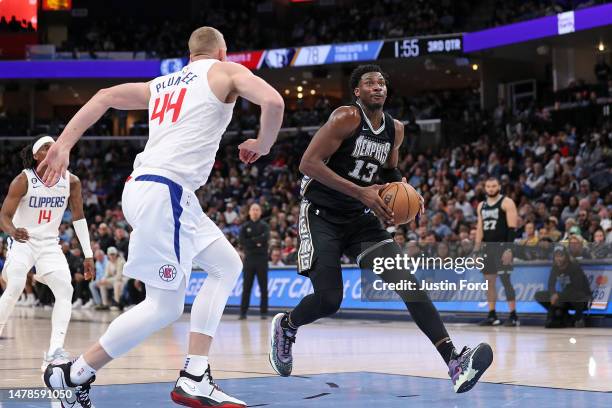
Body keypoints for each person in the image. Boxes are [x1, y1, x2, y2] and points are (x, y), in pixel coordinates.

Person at [42, 26, 283, 408]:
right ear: (223, 52)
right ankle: (75, 374)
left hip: (152, 189)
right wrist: (263, 144)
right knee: (164, 306)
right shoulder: (226, 71)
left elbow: (104, 96)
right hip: (165, 191)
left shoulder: (162, 84)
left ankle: (191, 371)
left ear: (189, 56)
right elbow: (274, 103)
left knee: (225, 266)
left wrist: (64, 144)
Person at [269, 65, 492, 394]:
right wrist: (361, 191)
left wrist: (409, 193)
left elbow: (390, 171)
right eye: (369, 83)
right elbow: (308, 164)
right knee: (330, 300)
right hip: (321, 214)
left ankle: (454, 362)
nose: (378, 87)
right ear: (357, 92)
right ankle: (287, 326)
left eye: (382, 83)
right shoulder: (345, 118)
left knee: (408, 283)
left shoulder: (395, 130)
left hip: (360, 218)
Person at [0, 136, 94, 370]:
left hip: (49, 244)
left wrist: (88, 254)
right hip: (23, 240)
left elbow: (79, 217)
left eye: (54, 146)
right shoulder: (24, 180)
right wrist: (12, 231)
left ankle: (54, 351)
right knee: (15, 285)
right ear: (36, 156)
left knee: (66, 289)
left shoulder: (71, 181)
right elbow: (4, 216)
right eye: (45, 147)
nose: (52, 150)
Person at [475, 177, 520, 327]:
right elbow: (480, 228)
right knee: (489, 283)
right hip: (488, 247)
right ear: (485, 188)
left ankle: (513, 315)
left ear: (499, 186)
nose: (491, 189)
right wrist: (476, 250)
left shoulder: (507, 202)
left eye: (494, 186)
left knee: (506, 280)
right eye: (488, 186)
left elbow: (512, 228)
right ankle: (492, 315)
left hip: (502, 247)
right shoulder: (481, 205)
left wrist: (509, 249)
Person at [535, 245, 591, 328]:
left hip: (582, 298)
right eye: (556, 256)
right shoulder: (555, 267)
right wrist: (553, 293)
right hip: (565, 296)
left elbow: (577, 287)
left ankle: (579, 317)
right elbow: (551, 284)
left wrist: (558, 296)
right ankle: (561, 313)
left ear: (566, 256)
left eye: (561, 256)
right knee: (539, 295)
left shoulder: (574, 266)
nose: (558, 258)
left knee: (575, 295)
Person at [239, 203, 270, 319]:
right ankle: (243, 312)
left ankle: (264, 312)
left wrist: (250, 241)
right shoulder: (245, 226)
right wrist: (256, 242)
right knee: (246, 287)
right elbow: (242, 241)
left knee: (263, 287)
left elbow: (265, 238)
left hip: (262, 259)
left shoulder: (265, 226)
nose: (255, 212)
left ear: (260, 212)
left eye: (257, 209)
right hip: (249, 260)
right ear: (249, 212)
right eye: (253, 209)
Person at [97, 246, 125, 310]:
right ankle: (105, 304)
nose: (112, 256)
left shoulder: (120, 261)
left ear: (116, 254)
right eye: (110, 254)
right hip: (114, 280)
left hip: (123, 280)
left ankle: (117, 303)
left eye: (113, 254)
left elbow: (119, 277)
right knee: (102, 284)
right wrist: (102, 280)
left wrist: (107, 280)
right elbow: (106, 274)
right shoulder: (109, 263)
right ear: (108, 255)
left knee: (117, 284)